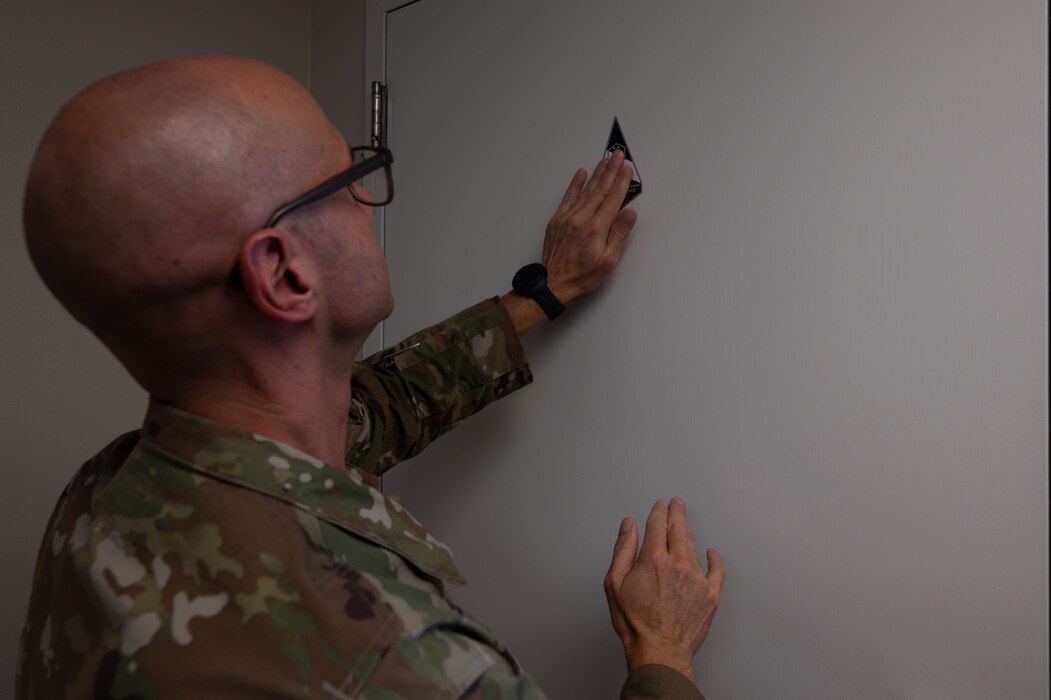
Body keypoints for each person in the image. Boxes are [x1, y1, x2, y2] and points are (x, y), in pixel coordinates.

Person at [17, 55, 725, 699]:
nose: (367, 197)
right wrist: (660, 655)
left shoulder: (105, 496)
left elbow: (377, 407)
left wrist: (542, 293)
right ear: (283, 273)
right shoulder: (402, 665)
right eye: (345, 179)